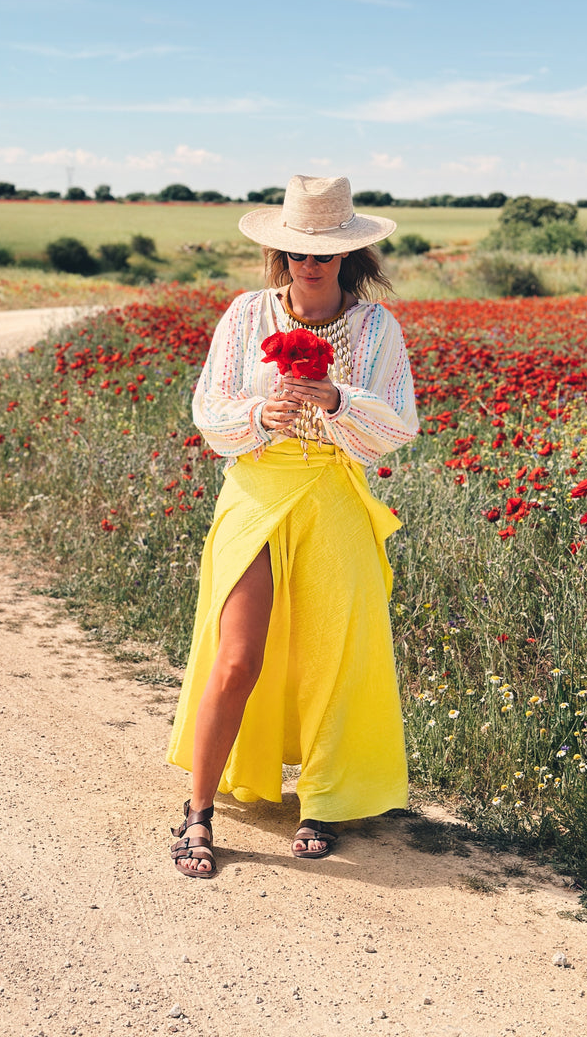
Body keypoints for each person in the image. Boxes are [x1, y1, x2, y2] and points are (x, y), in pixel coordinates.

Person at [166, 174, 419, 879]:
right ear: (280, 255)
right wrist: (258, 417)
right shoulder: (247, 315)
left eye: (324, 253)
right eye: (297, 252)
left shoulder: (376, 329)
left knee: (330, 657)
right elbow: (209, 409)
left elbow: (399, 424)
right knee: (236, 655)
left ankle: (321, 802)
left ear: (349, 256)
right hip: (257, 489)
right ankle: (197, 812)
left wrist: (338, 399)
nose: (309, 264)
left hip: (334, 493)